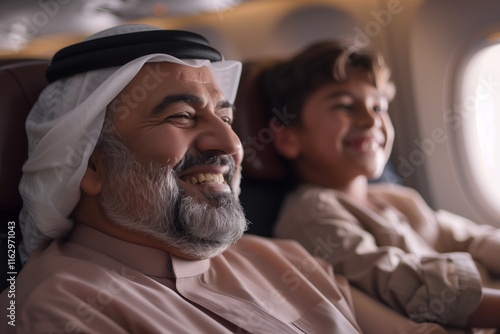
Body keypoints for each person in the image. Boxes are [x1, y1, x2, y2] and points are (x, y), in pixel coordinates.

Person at [0, 24, 371, 334]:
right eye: (182, 116)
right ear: (91, 166)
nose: (231, 144)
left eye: (225, 119)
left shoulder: (284, 259)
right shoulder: (57, 311)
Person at [264, 40, 500, 332]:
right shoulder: (312, 213)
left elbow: (470, 239)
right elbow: (407, 283)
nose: (370, 118)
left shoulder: (396, 199)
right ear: (288, 138)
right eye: (345, 106)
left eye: (379, 106)